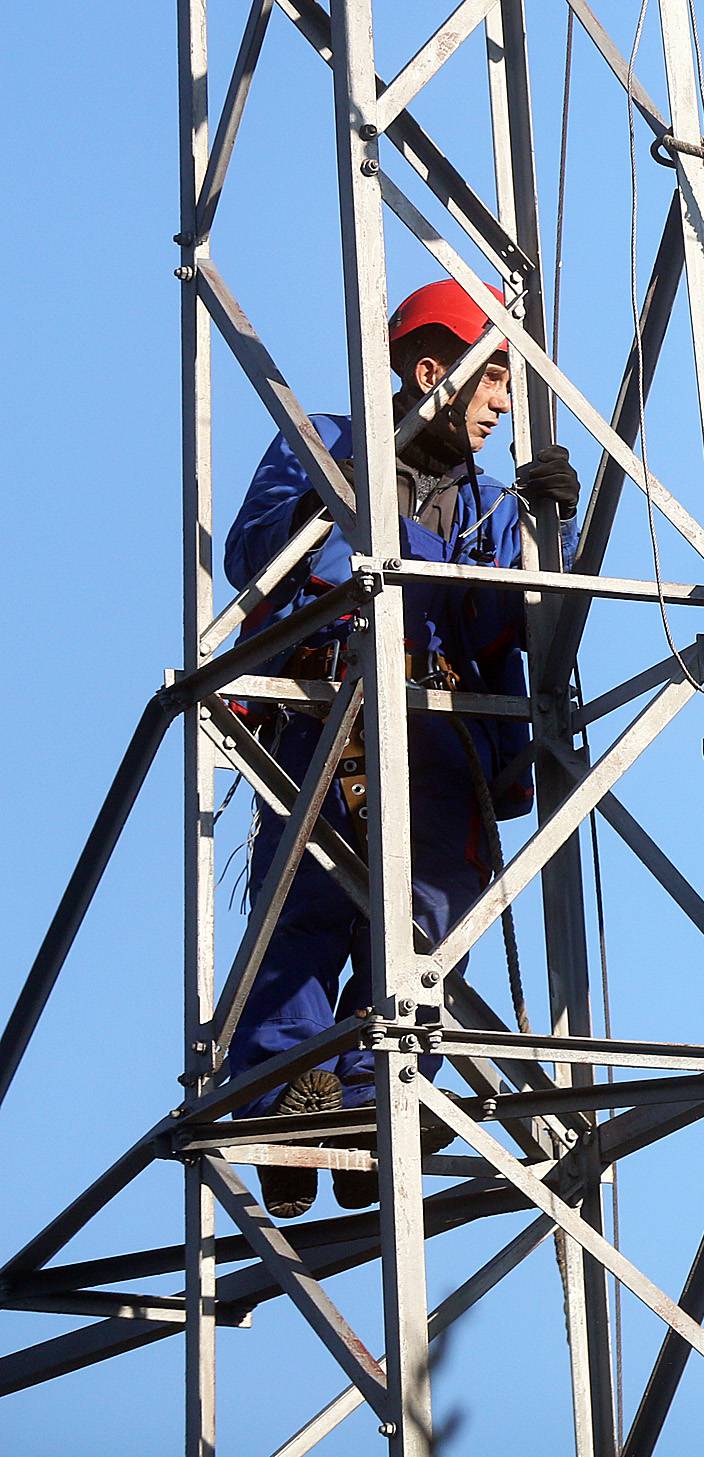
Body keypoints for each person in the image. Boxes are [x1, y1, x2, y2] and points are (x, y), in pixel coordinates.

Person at [223, 280, 578, 1217]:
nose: (505, 404)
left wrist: (553, 537)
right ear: (435, 372)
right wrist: (398, 547)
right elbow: (262, 552)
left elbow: (519, 630)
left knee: (428, 918)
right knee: (302, 906)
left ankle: (362, 1086)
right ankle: (280, 1096)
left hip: (439, 736)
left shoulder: (495, 510)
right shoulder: (329, 446)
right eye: (494, 379)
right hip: (324, 713)